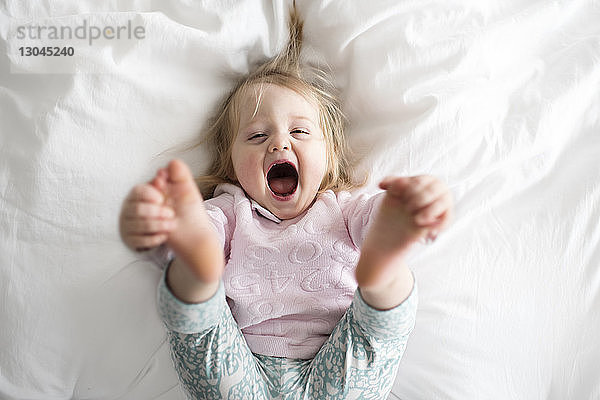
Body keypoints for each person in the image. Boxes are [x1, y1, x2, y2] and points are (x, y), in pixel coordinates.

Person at [119, 5, 453, 399]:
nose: (280, 142)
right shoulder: (230, 211)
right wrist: (182, 234)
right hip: (241, 358)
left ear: (328, 155)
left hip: (335, 354)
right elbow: (205, 229)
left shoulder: (343, 209)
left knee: (379, 329)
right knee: (199, 325)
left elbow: (371, 217)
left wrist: (398, 214)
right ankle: (196, 276)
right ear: (231, 163)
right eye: (257, 136)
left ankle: (382, 271)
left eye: (299, 130)